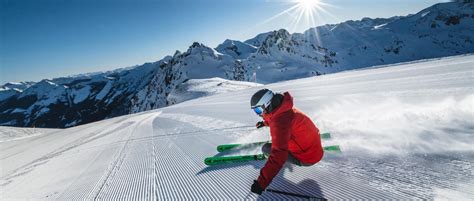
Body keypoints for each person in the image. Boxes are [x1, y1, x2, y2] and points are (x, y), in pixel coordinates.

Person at [249, 88, 324, 195]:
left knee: (266, 148)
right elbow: (277, 119)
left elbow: (278, 155)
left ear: (267, 104)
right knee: (278, 139)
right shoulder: (284, 108)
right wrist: (265, 123)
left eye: (258, 110)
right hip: (314, 149)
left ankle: (284, 161)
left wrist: (261, 183)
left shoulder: (279, 122)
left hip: (307, 159)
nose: (258, 114)